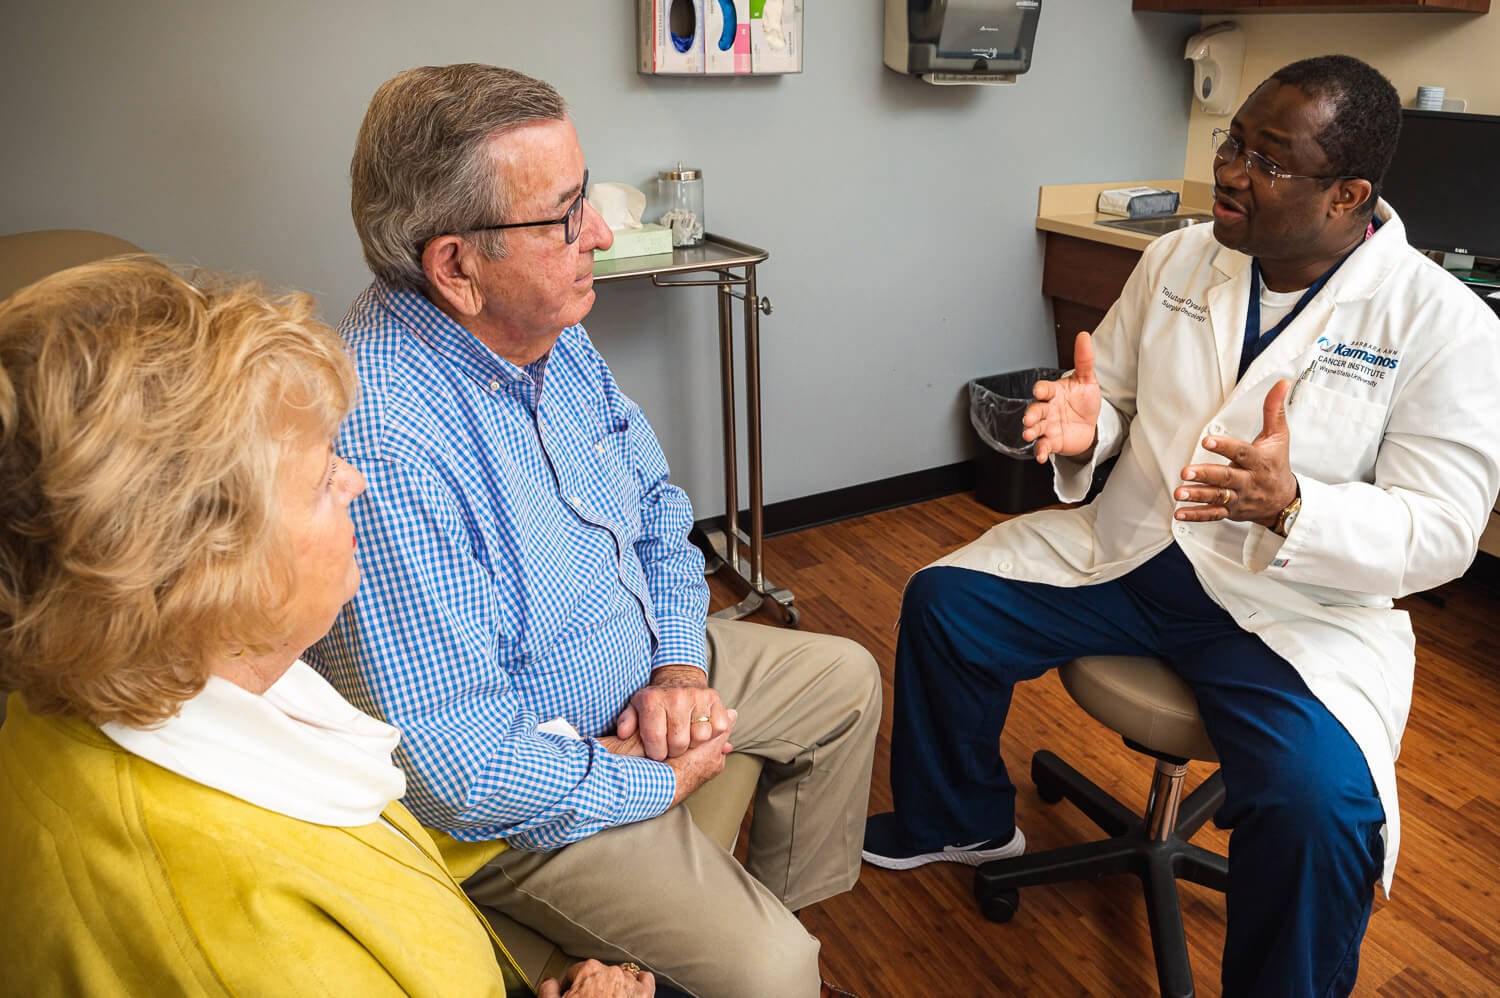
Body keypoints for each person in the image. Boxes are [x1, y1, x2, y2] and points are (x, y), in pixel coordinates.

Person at [862, 55, 1500, 997]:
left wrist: (1296, 506)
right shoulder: (1176, 256)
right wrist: (1090, 426)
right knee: (946, 603)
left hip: (1286, 608)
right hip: (1135, 552)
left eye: (1267, 161)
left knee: (1321, 805)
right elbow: (1111, 391)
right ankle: (958, 818)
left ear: (1348, 195)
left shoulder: (1442, 324)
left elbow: (1444, 529)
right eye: (1232, 142)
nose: (1232, 172)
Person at [306, 63, 880, 998]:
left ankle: (761, 918)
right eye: (565, 214)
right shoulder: (388, 441)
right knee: (776, 972)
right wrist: (660, 773)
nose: (602, 235)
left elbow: (657, 506)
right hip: (526, 791)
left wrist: (679, 668)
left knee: (844, 684)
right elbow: (460, 769)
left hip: (640, 676)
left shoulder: (546, 327)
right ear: (455, 266)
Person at [0, 258, 655, 998]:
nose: (356, 481)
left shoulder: (120, 682)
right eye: (319, 481)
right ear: (205, 571)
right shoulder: (250, 939)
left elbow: (373, 825)